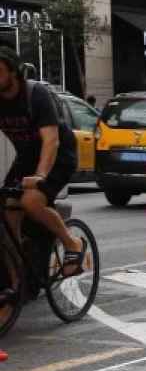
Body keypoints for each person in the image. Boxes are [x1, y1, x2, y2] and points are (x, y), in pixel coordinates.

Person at [0, 47, 85, 276]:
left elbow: (51, 141)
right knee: (8, 213)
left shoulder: (35, 94)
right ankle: (17, 280)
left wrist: (40, 176)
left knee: (31, 201)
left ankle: (72, 243)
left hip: (59, 156)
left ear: (13, 72)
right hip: (27, 157)